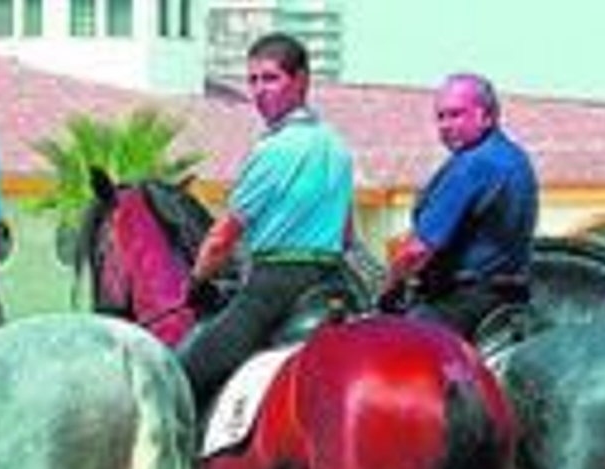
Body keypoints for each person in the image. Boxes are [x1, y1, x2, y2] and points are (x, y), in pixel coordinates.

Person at [178, 32, 354, 408]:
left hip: (274, 287)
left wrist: (196, 281)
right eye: (253, 80)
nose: (259, 90)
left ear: (301, 80)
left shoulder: (273, 150)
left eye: (270, 78)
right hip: (336, 284)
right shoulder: (338, 147)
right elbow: (348, 232)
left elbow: (223, 237)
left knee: (182, 377)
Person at [379, 73, 539, 339]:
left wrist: (388, 287)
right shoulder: (516, 158)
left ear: (486, 116)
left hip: (458, 304)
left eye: (455, 115)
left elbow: (417, 251)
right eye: (440, 117)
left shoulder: (472, 165)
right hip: (513, 301)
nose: (445, 125)